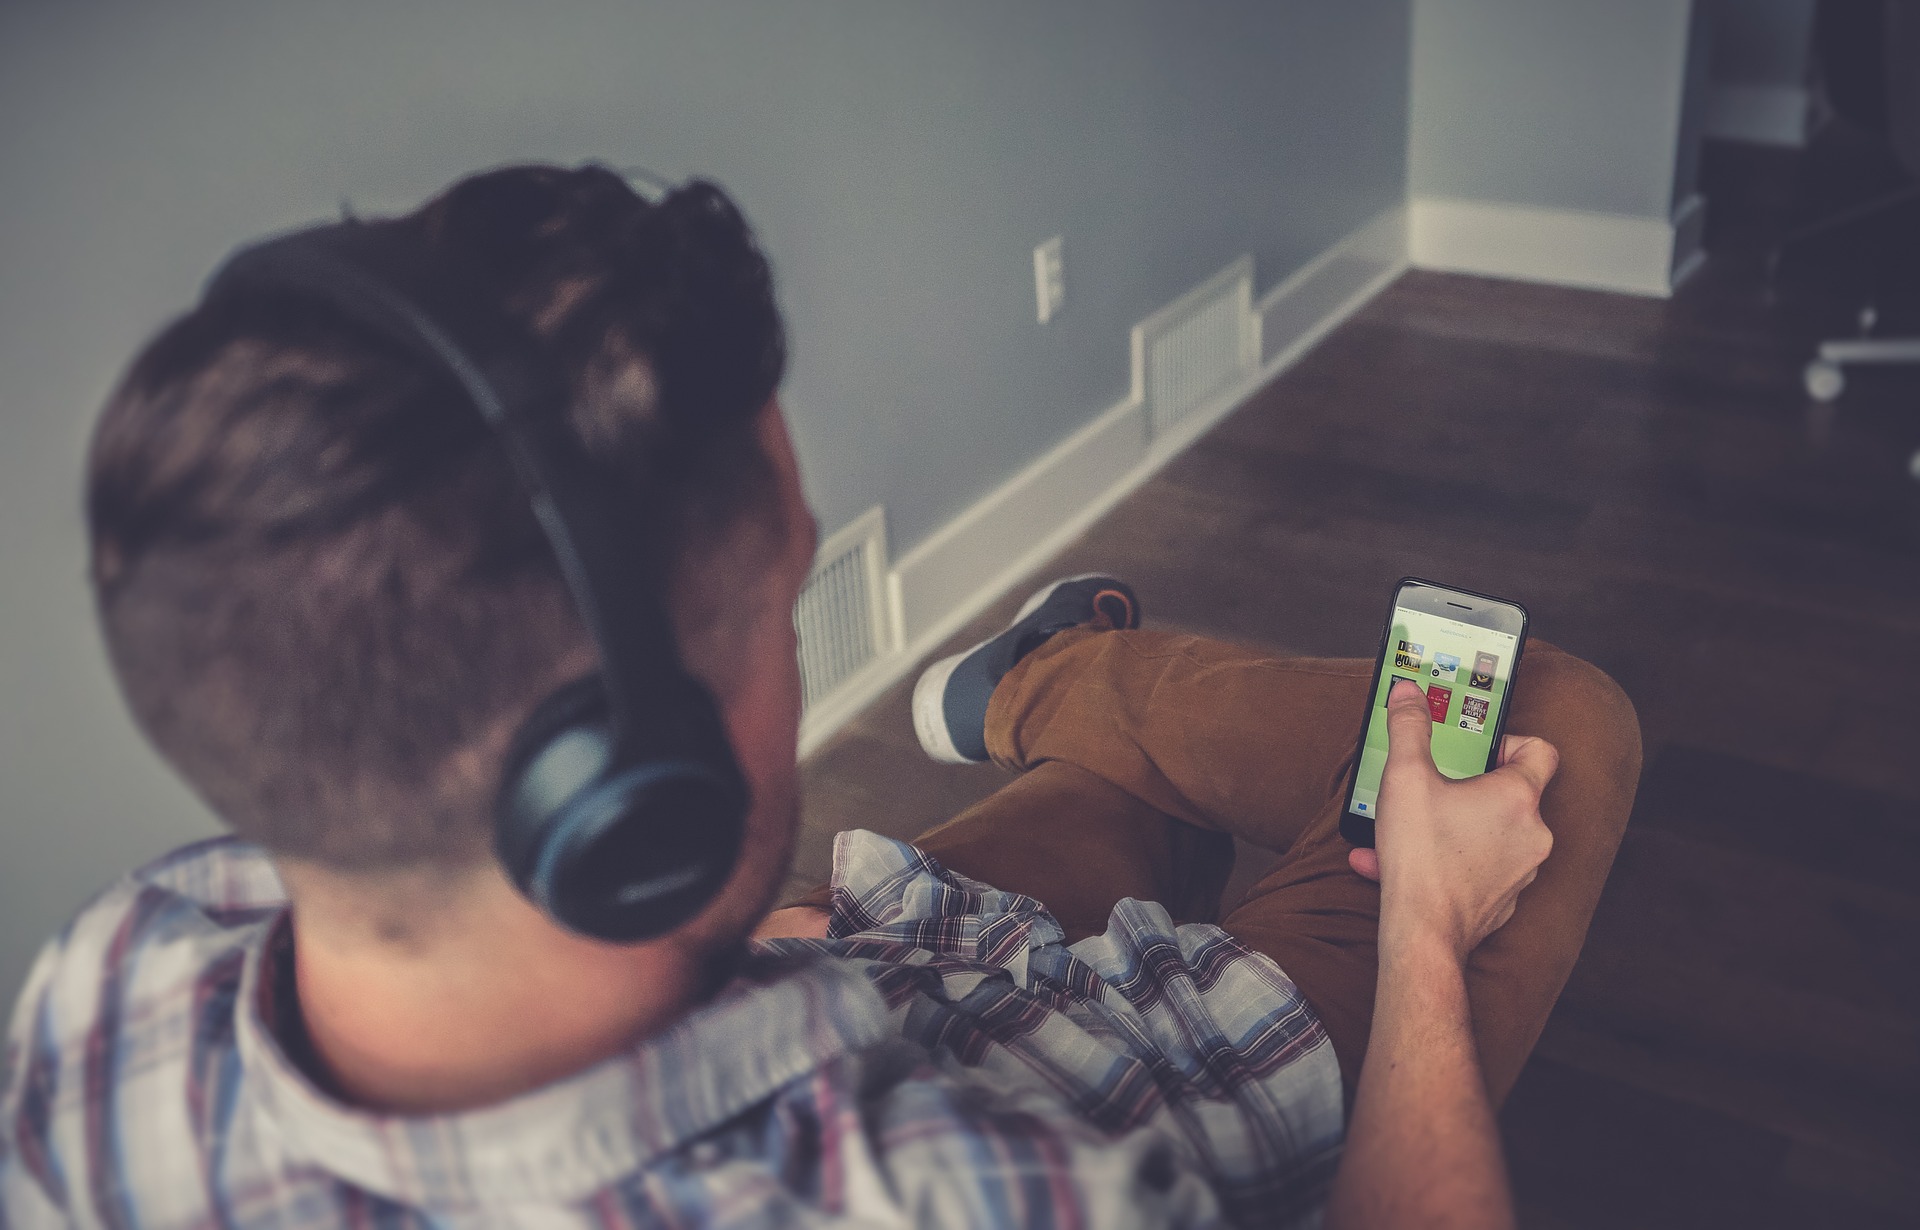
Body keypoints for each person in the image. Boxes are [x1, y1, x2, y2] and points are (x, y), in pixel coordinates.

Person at [0, 164, 1640, 1229]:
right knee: (1562, 711)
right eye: (787, 606)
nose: (796, 648)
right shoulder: (975, 1195)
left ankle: (1057, 687)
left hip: (839, 948)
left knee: (1120, 806)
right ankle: (1058, 676)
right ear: (634, 803)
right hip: (1169, 1060)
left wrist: (727, 952)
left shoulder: (104, 998)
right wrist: (1424, 930)